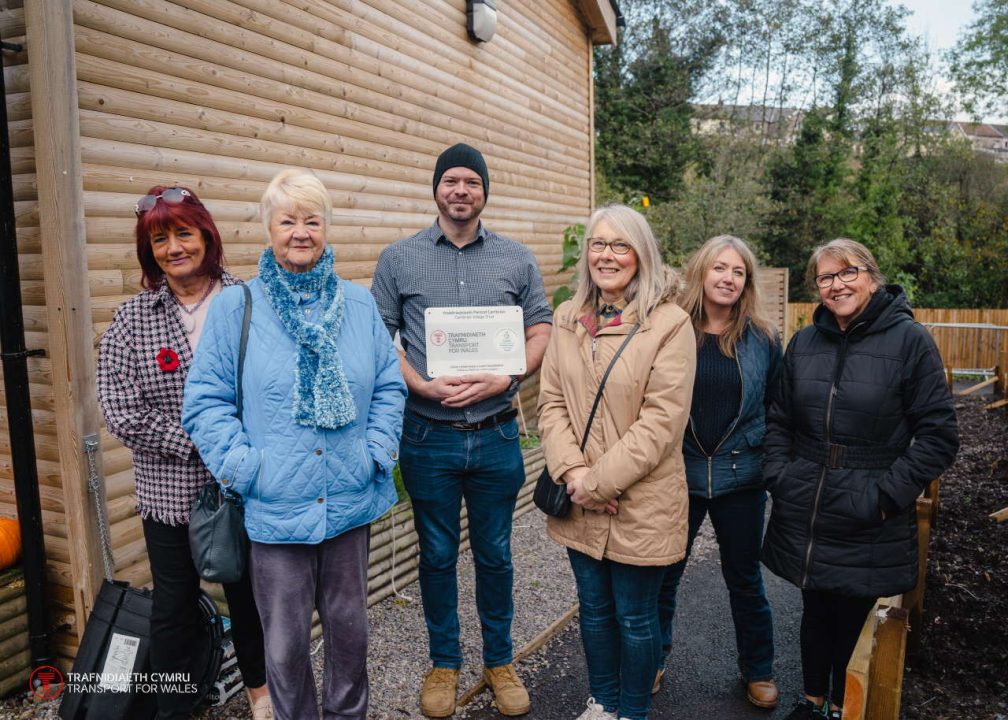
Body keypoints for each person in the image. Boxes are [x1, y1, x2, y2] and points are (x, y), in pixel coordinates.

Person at [182, 169, 406, 720]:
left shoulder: (356, 305)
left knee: (350, 637)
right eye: (288, 220)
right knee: (283, 647)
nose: (300, 232)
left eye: (312, 219)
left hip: (350, 500)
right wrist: (245, 467)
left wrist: (375, 451)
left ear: (326, 227)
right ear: (269, 228)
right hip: (275, 502)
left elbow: (388, 385)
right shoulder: (238, 308)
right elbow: (206, 403)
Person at [370, 143, 552, 718]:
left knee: (496, 553)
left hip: (497, 433)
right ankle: (445, 663)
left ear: (484, 192)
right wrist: (418, 385)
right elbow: (378, 336)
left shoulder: (516, 259)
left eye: (472, 182)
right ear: (436, 189)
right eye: (451, 181)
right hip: (429, 435)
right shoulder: (398, 259)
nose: (461, 191)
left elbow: (541, 327)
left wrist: (507, 375)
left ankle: (499, 659)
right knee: (439, 554)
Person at [762, 238, 959, 720]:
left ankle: (840, 706)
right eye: (826, 278)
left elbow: (939, 435)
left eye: (847, 272)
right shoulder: (805, 342)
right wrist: (779, 477)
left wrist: (886, 496)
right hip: (807, 500)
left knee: (851, 618)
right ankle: (810, 702)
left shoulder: (910, 341)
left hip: (869, 507)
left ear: (872, 276)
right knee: (815, 611)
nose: (837, 284)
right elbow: (778, 420)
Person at [97, 185, 272, 719]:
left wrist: (237, 449)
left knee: (248, 598)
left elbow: (273, 388)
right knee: (172, 608)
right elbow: (119, 408)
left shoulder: (249, 301)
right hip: (169, 491)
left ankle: (262, 695)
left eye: (183, 233)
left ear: (206, 237)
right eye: (160, 238)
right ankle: (172, 707)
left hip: (243, 482)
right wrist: (201, 442)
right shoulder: (134, 319)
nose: (173, 247)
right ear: (148, 249)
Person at [537, 204, 696, 720]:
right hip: (581, 494)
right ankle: (602, 704)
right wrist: (575, 475)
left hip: (642, 500)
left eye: (619, 245)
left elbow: (661, 422)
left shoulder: (670, 324)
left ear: (641, 254)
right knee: (595, 612)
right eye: (598, 244)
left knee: (634, 617)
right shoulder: (567, 318)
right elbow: (552, 402)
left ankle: (632, 710)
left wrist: (598, 483)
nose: (607, 255)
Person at [655, 235, 782, 708]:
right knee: (665, 575)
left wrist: (769, 465)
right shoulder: (671, 327)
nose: (728, 278)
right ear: (701, 271)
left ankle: (759, 669)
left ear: (746, 282)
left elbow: (777, 409)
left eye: (738, 272)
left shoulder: (763, 339)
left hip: (741, 477)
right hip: (677, 474)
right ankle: (654, 657)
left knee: (745, 579)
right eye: (720, 269)